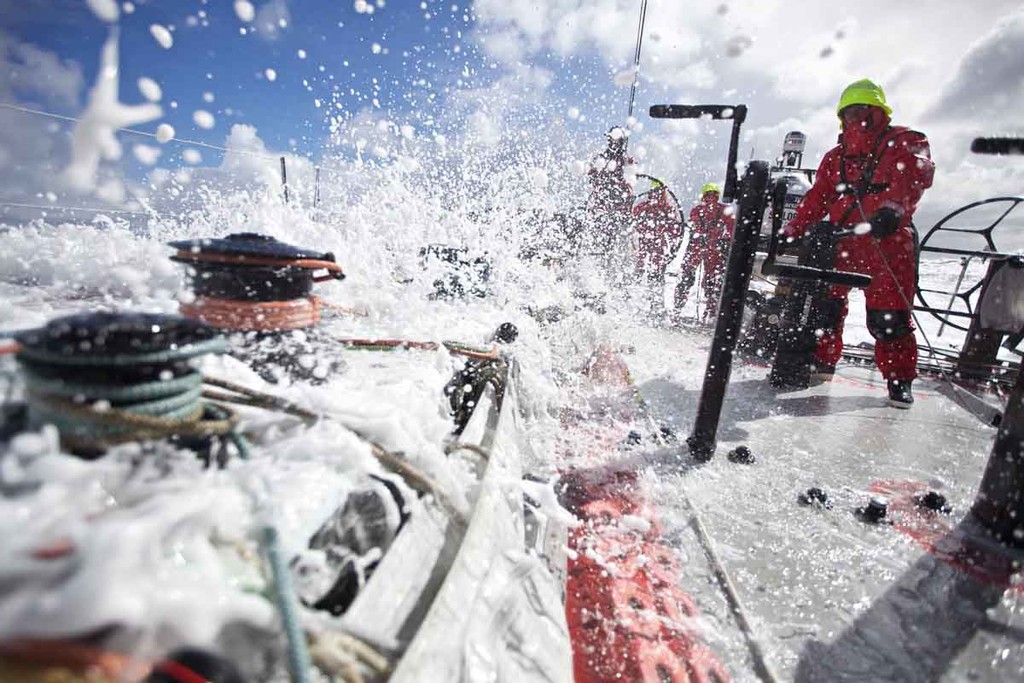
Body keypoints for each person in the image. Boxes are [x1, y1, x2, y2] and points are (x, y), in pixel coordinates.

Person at [779, 78, 934, 407]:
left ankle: (898, 379)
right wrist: (794, 228)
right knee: (827, 310)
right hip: (841, 241)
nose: (855, 117)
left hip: (888, 244)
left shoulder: (906, 142)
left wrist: (893, 210)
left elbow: (912, 177)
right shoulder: (835, 158)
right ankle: (823, 364)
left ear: (879, 112)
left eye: (862, 110)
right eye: (849, 112)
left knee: (888, 319)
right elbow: (819, 196)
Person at [673, 182, 734, 321]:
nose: (711, 198)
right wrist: (721, 240)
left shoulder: (698, 210)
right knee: (710, 281)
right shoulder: (723, 210)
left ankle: (680, 308)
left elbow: (694, 225)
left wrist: (708, 238)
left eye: (712, 195)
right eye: (710, 195)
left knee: (693, 279)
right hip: (710, 249)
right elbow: (730, 230)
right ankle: (710, 311)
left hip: (704, 248)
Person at [587, 127, 636, 277]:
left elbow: (631, 180)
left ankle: (620, 278)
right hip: (603, 208)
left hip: (621, 209)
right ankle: (600, 276)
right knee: (603, 243)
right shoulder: (602, 158)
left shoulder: (627, 160)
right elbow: (592, 176)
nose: (614, 143)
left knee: (621, 244)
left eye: (617, 140)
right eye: (612, 139)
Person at [632, 178, 683, 317]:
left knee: (648, 273)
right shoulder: (666, 208)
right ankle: (654, 304)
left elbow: (633, 218)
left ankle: (645, 303)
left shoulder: (646, 206)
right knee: (654, 273)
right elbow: (675, 230)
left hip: (651, 246)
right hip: (653, 246)